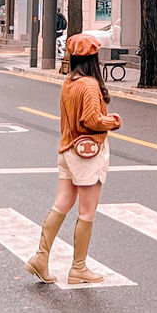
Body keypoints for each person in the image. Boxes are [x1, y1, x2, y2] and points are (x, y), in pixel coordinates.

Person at [25, 34, 121, 285]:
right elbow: (91, 120)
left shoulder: (70, 81)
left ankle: (41, 257)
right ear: (93, 58)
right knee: (86, 212)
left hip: (68, 150)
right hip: (86, 153)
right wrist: (113, 121)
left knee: (61, 204)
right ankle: (78, 267)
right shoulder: (89, 85)